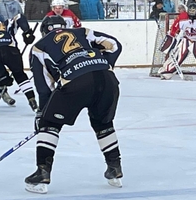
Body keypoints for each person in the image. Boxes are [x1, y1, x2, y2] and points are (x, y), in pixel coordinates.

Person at [26, 15, 123, 194]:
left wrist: (43, 114)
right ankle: (115, 168)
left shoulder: (39, 47)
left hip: (76, 81)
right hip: (107, 79)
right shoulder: (81, 31)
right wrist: (102, 65)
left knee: (50, 125)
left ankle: (42, 172)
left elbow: (45, 88)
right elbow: (115, 44)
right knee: (103, 123)